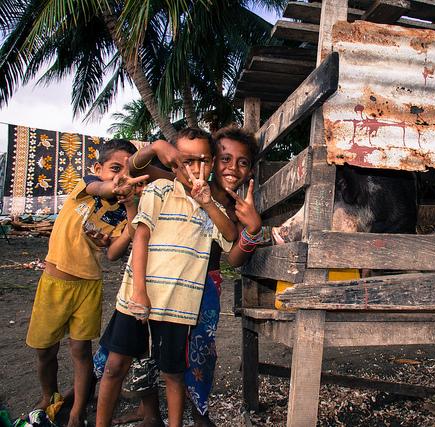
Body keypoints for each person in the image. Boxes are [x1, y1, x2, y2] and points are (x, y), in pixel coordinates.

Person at [100, 125, 263, 426]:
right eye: (225, 159)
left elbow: (235, 257)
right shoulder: (180, 182)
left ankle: (199, 414)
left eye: (242, 162)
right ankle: (150, 412)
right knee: (144, 350)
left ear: (250, 169)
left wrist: (252, 229)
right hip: (161, 277)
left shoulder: (236, 206)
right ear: (213, 160)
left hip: (202, 286)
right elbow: (136, 168)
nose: (232, 168)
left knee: (196, 356)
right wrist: (156, 147)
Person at [25, 139, 146, 427]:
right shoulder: (87, 186)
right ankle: (49, 395)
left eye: (128, 172)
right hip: (53, 282)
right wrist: (114, 187)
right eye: (115, 169)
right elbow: (101, 188)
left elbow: (114, 253)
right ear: (97, 168)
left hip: (88, 286)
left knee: (80, 351)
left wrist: (129, 207)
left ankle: (78, 409)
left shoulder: (122, 212)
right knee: (45, 351)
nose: (122, 177)